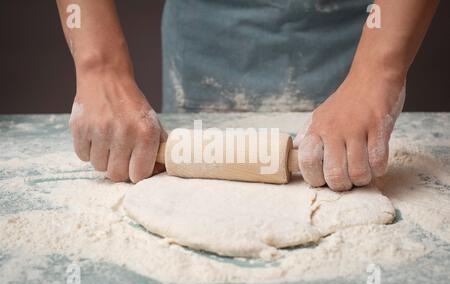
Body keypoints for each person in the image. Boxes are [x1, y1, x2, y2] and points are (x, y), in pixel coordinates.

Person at [56, 0, 439, 191]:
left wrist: (377, 73)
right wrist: (99, 65)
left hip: (357, 26)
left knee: (346, 166)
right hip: (206, 29)